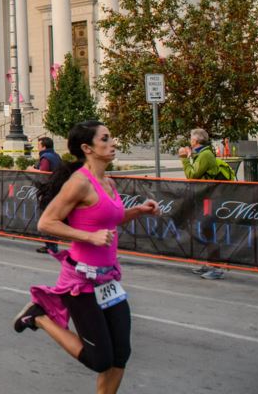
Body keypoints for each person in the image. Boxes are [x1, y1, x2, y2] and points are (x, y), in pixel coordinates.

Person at [13, 121, 160, 394]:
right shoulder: (79, 183)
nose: (112, 142)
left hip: (108, 279)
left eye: (111, 137)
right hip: (81, 279)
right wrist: (89, 237)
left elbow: (107, 220)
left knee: (120, 355)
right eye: (105, 139)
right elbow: (47, 223)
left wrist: (138, 211)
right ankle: (40, 316)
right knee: (99, 359)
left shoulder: (109, 182)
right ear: (87, 148)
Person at [180, 128, 230, 279]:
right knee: (205, 229)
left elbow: (192, 175)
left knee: (208, 230)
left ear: (195, 141)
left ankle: (216, 267)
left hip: (210, 199)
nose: (190, 141)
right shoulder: (202, 154)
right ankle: (210, 264)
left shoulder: (206, 154)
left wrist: (183, 159)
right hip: (205, 198)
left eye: (190, 138)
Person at [29, 136, 63, 254]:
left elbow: (44, 173)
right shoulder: (56, 156)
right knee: (53, 218)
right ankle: (52, 245)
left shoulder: (45, 157)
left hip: (49, 192)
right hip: (57, 191)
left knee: (46, 218)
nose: (37, 147)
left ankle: (51, 246)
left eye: (39, 145)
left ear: (43, 146)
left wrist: (32, 170)